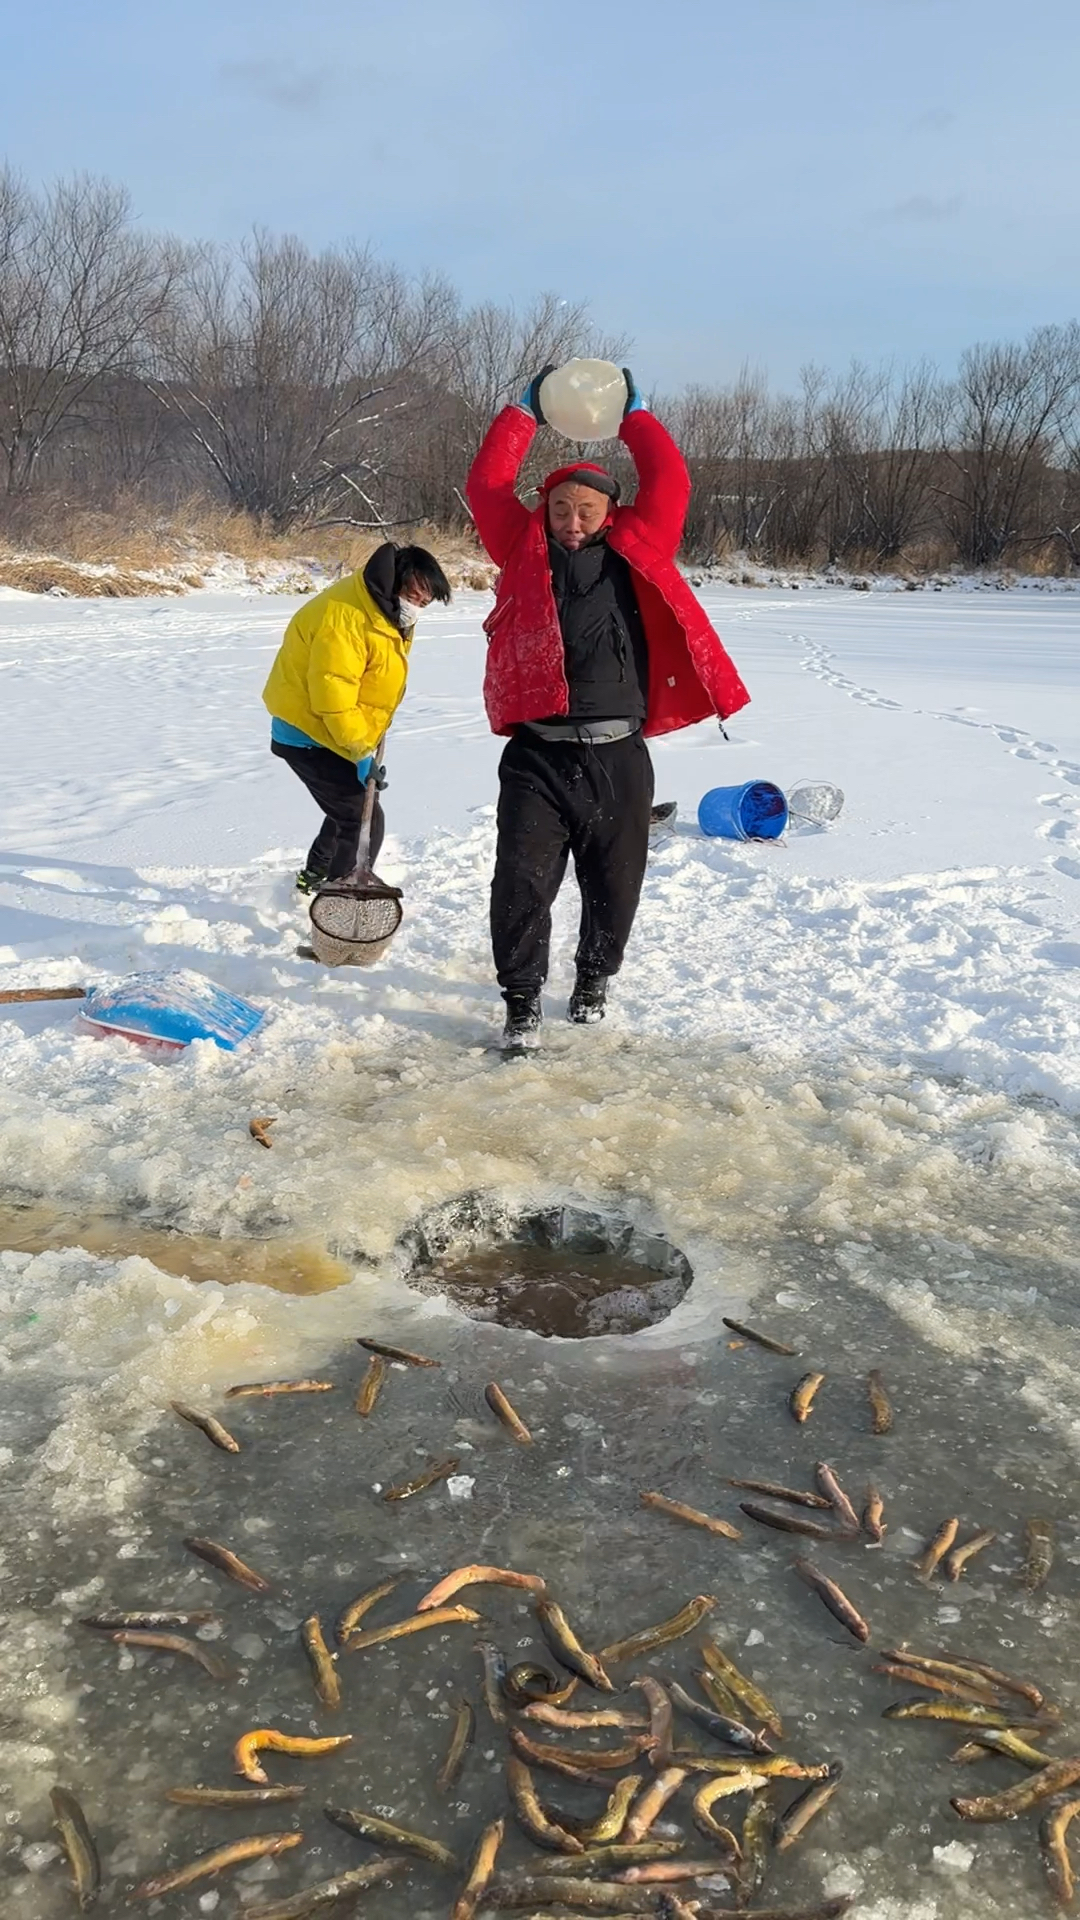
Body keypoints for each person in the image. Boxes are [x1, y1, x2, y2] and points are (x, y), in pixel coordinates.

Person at [466, 366, 750, 1047]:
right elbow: (486, 486)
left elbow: (671, 483)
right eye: (560, 509)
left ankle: (593, 978)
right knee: (522, 883)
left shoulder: (640, 546)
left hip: (618, 754)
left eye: (585, 511)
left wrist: (636, 417)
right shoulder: (520, 545)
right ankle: (522, 999)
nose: (571, 522)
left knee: (614, 884)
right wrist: (524, 411)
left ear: (609, 512)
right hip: (536, 753)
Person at [263, 541, 451, 891]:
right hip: (308, 733)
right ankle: (339, 904)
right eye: (414, 598)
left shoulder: (382, 608)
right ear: (395, 582)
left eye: (425, 604)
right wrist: (360, 750)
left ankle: (315, 876)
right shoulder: (346, 618)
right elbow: (332, 697)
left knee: (352, 805)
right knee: (363, 821)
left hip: (334, 730)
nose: (417, 609)